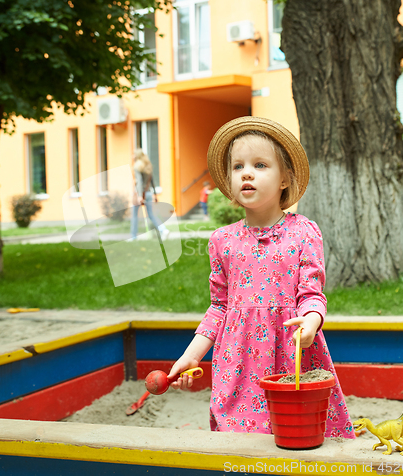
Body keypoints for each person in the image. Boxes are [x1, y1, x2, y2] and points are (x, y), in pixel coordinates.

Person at [167, 116, 355, 438]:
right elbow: (219, 309)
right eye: (238, 166)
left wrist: (311, 320)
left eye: (260, 165)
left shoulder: (303, 233)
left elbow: (311, 293)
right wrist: (190, 356)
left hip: (291, 355)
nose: (247, 173)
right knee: (240, 440)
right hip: (237, 363)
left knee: (297, 434)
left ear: (285, 179)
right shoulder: (222, 241)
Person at [130, 149, 169, 241]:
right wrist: (155, 194)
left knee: (134, 215)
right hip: (148, 193)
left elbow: (139, 182)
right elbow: (152, 181)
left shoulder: (137, 167)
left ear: (137, 156)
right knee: (151, 215)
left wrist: (139, 195)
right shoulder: (148, 166)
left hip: (140, 194)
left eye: (134, 155)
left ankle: (133, 237)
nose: (132, 156)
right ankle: (164, 230)